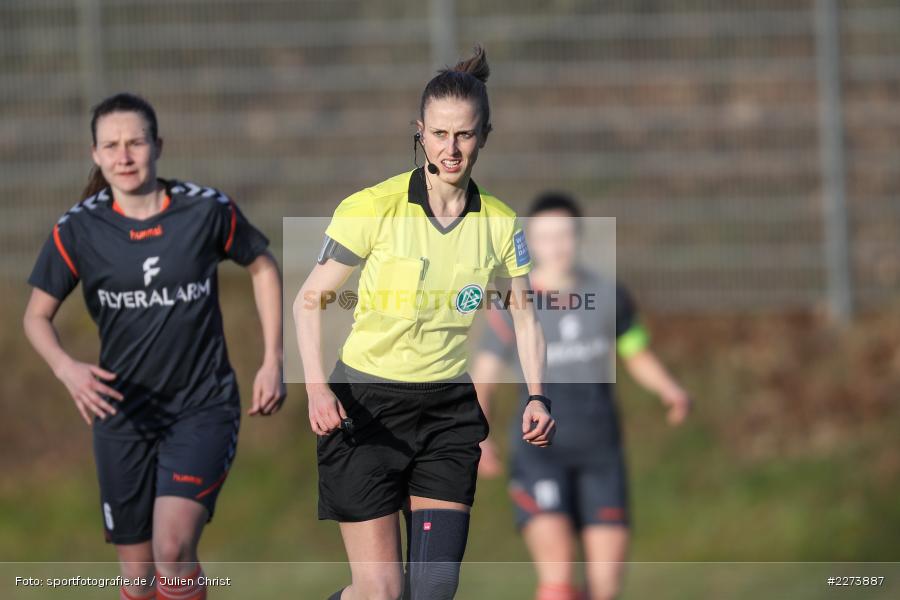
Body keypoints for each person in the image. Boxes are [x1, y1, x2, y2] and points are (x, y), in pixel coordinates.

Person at [294, 46, 555, 600]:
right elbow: (309, 300)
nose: (451, 148)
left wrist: (539, 396)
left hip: (445, 415)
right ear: (420, 131)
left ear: (485, 133)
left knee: (433, 589)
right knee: (383, 593)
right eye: (439, 134)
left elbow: (525, 318)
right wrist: (317, 389)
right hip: (364, 407)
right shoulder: (374, 207)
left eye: (464, 135)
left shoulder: (503, 224)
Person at [23, 93, 285, 600]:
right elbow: (36, 316)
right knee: (139, 577)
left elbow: (262, 264)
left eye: (136, 142)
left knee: (172, 547)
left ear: (158, 145)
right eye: (111, 145)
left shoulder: (204, 210)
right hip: (122, 415)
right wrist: (66, 368)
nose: (124, 156)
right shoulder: (79, 228)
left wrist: (273, 359)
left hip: (201, 406)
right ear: (95, 155)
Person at [472, 192, 691, 600]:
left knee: (603, 590)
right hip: (540, 455)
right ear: (530, 244)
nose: (556, 247)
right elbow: (483, 377)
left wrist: (669, 388)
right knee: (558, 582)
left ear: (579, 238)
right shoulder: (513, 304)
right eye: (545, 238)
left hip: (601, 453)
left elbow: (635, 352)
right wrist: (480, 437)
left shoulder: (610, 296)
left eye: (564, 236)